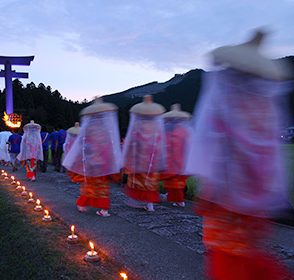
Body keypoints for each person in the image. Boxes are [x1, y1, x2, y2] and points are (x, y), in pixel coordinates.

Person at [186, 30, 294, 279]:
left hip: (228, 197)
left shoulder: (228, 105)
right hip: (255, 195)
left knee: (231, 256)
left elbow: (217, 147)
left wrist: (212, 190)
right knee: (242, 251)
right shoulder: (266, 107)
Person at [63, 98, 122, 217]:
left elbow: (83, 146)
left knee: (89, 186)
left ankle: (83, 204)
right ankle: (104, 209)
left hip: (91, 163)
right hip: (103, 163)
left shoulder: (89, 130)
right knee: (102, 187)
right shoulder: (106, 130)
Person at [121, 95, 166, 212]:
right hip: (153, 158)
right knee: (150, 181)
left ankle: (141, 201)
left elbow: (132, 142)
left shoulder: (138, 126)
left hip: (140, 158)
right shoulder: (157, 127)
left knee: (139, 180)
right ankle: (149, 204)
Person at [158, 104, 193, 208]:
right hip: (179, 160)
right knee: (175, 181)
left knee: (175, 181)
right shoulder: (185, 132)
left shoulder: (177, 133)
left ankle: (179, 200)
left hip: (176, 160)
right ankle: (174, 197)